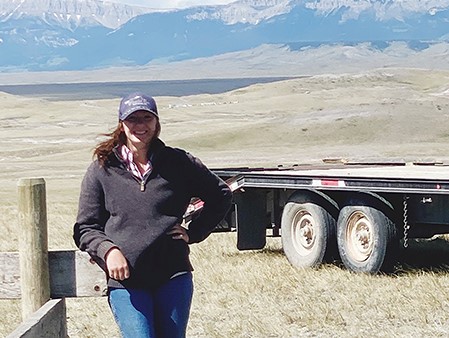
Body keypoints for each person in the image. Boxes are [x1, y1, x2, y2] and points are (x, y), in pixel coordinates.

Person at [73, 92, 233, 338]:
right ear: (122, 124)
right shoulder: (102, 169)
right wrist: (108, 250)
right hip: (127, 281)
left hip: (172, 274)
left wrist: (195, 232)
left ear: (157, 123)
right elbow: (85, 228)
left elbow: (221, 194)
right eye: (132, 119)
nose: (140, 125)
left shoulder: (179, 163)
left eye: (146, 118)